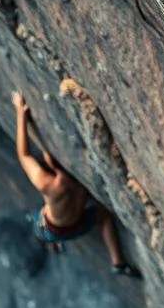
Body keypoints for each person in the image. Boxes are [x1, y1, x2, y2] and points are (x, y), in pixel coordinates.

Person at [12, 91, 138, 276]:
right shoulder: (48, 185)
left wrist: (21, 114)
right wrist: (20, 112)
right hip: (54, 228)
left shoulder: (55, 186)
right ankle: (54, 243)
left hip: (66, 225)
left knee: (102, 216)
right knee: (38, 225)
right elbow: (24, 155)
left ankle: (118, 264)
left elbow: (25, 156)